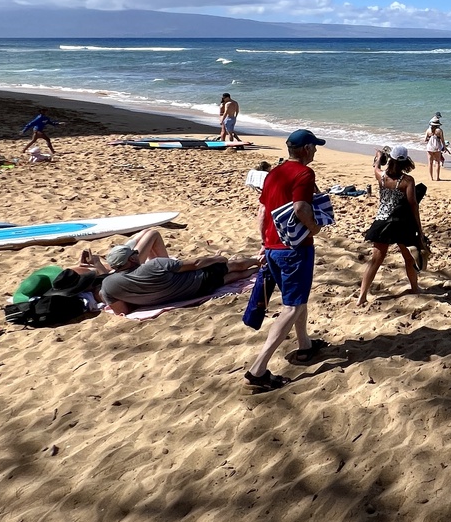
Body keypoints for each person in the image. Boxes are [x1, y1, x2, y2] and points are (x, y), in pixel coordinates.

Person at [245, 128, 331, 390]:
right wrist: (315, 227)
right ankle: (257, 371)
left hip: (272, 247)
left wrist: (264, 243)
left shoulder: (274, 173)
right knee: (291, 307)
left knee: (298, 299)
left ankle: (304, 345)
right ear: (305, 149)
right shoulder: (304, 173)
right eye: (314, 146)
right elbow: (301, 208)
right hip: (295, 249)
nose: (315, 150)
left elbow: (263, 212)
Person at [99, 229, 258, 314]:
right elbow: (195, 264)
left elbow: (123, 311)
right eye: (133, 253)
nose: (136, 253)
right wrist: (217, 259)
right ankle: (256, 261)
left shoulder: (107, 285)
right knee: (230, 267)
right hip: (197, 282)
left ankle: (254, 269)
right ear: (132, 259)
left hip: (184, 294)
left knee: (228, 279)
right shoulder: (155, 265)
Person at [357, 145, 427, 306]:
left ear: (391, 159)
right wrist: (419, 228)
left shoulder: (381, 176)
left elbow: (376, 166)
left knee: (375, 260)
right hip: (400, 223)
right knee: (408, 258)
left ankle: (362, 295)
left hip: (382, 222)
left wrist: (378, 156)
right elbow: (413, 205)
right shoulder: (407, 181)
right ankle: (415, 287)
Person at [423, 115, 447, 181]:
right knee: (437, 163)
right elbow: (442, 140)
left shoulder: (428, 130)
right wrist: (444, 147)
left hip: (429, 147)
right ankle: (437, 177)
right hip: (437, 147)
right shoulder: (439, 130)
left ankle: (431, 177)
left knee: (430, 163)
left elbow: (425, 139)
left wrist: (429, 139)